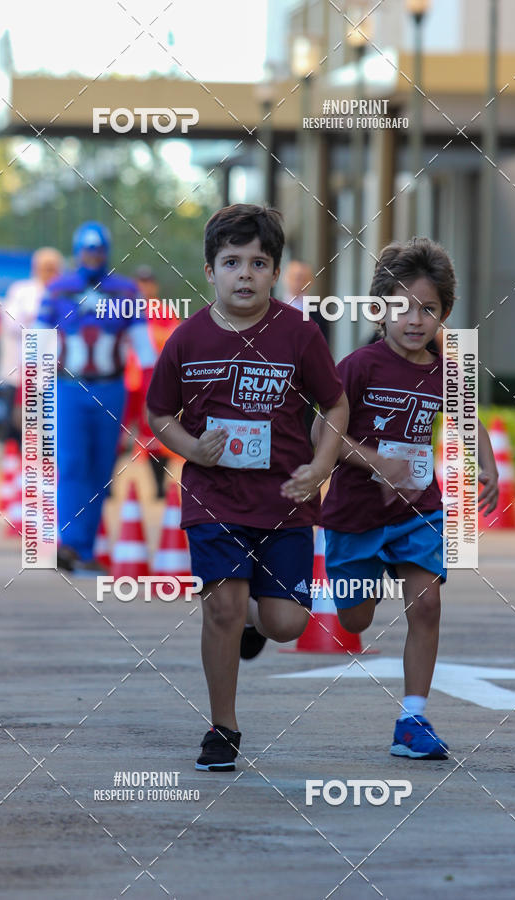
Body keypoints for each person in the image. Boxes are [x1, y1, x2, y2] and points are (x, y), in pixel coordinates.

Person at [146, 204, 348, 771]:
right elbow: (160, 413)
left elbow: (334, 402)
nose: (245, 274)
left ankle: (256, 625)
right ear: (209, 270)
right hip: (214, 498)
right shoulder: (186, 339)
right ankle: (222, 728)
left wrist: (322, 465)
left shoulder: (298, 334)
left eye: (258, 263)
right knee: (222, 607)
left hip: (284, 500)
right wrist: (190, 449)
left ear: (275, 271)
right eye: (231, 262)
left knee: (286, 622)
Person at [315, 238, 499, 760]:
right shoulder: (359, 366)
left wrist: (486, 465)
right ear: (378, 309)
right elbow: (320, 434)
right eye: (402, 307)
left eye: (430, 309)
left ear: (444, 314)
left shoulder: (445, 368)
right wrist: (378, 462)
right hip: (356, 516)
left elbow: (468, 418)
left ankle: (413, 719)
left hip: (419, 512)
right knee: (356, 620)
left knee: (428, 603)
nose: (415, 320)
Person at [35, 222, 157, 572]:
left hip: (110, 388)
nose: (93, 257)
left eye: (98, 250)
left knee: (102, 468)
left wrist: (150, 400)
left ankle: (83, 547)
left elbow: (145, 351)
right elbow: (38, 344)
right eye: (87, 251)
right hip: (69, 388)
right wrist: (28, 397)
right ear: (77, 252)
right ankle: (71, 544)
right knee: (72, 464)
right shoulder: (58, 290)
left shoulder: (125, 291)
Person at [121, 265, 180, 498]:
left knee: (155, 433)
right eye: (140, 282)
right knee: (118, 431)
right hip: (127, 379)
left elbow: (173, 339)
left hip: (152, 380)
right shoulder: (124, 311)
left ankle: (158, 487)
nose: (144, 287)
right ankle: (106, 490)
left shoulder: (163, 311)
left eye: (147, 282)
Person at [0, 247, 63, 442]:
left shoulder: (64, 294)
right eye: (45, 267)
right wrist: (41, 325)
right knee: (18, 429)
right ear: (35, 268)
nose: (49, 272)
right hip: (19, 375)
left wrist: (34, 323)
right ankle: (15, 470)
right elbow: (10, 322)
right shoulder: (21, 290)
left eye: (53, 268)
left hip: (53, 376)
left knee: (47, 433)